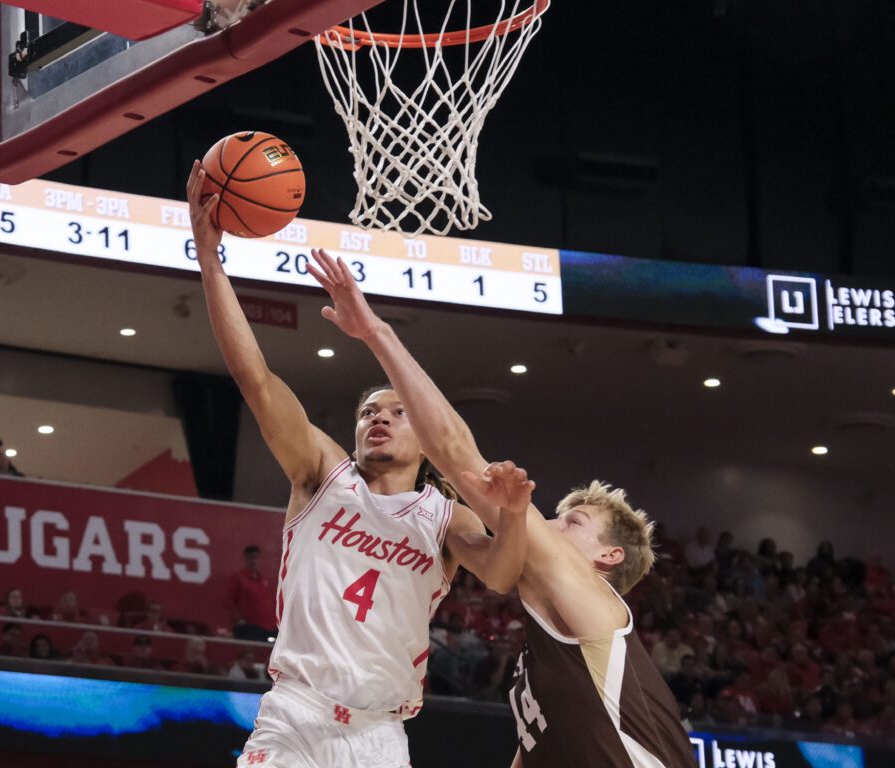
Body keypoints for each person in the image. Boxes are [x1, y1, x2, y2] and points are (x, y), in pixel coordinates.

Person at [186, 164, 531, 768]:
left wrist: (517, 515)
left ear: (427, 440)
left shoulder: (443, 519)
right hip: (296, 712)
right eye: (370, 410)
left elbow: (502, 575)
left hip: (379, 733)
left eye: (398, 412)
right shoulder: (323, 473)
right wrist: (210, 260)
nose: (379, 418)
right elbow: (256, 379)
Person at [307, 248, 695, 768]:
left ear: (607, 559)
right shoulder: (544, 659)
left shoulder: (593, 605)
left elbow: (454, 450)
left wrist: (377, 332)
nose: (551, 525)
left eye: (573, 523)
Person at [225, 544, 277, 642]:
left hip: (269, 629)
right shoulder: (237, 578)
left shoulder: (265, 581)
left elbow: (272, 602)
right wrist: (239, 621)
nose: (253, 561)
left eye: (255, 558)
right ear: (245, 559)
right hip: (250, 628)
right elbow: (228, 601)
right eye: (250, 558)